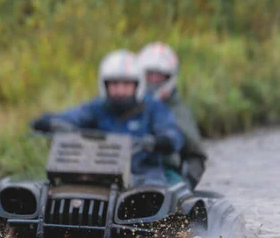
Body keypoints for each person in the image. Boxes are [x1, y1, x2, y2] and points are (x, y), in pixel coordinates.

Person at [31, 49, 184, 187]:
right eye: (114, 84)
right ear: (104, 85)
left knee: (155, 197)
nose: (120, 90)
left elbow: (172, 134)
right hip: (98, 174)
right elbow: (69, 117)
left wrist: (156, 141)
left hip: (143, 175)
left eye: (126, 84)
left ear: (138, 85)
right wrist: (50, 123)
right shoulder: (97, 107)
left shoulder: (153, 108)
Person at [138, 42, 207, 189]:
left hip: (165, 172)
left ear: (169, 77)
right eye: (149, 75)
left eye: (158, 76)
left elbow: (197, 156)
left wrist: (185, 185)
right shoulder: (126, 103)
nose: (153, 81)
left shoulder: (178, 111)